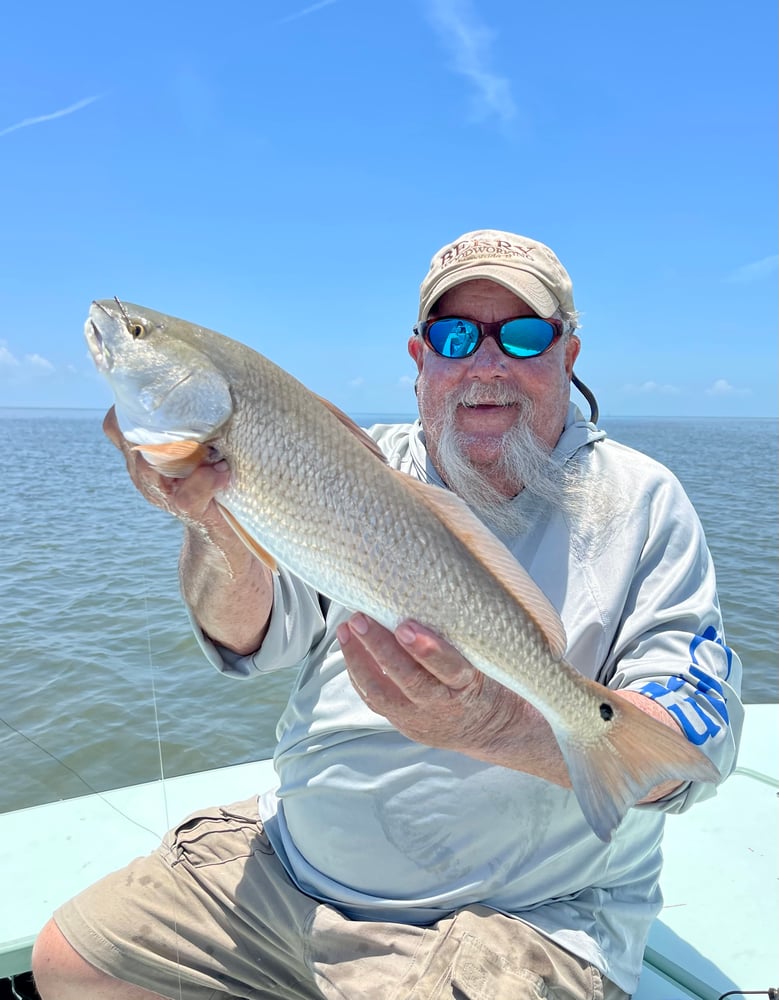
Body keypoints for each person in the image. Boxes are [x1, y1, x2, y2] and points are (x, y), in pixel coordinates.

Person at [33, 230, 743, 1000]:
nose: (486, 363)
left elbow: (688, 742)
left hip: (516, 916)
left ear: (568, 358)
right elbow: (251, 639)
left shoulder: (641, 501)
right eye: (455, 335)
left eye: (525, 334)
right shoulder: (354, 465)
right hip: (289, 874)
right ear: (419, 361)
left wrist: (492, 726)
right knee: (70, 961)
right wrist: (210, 521)